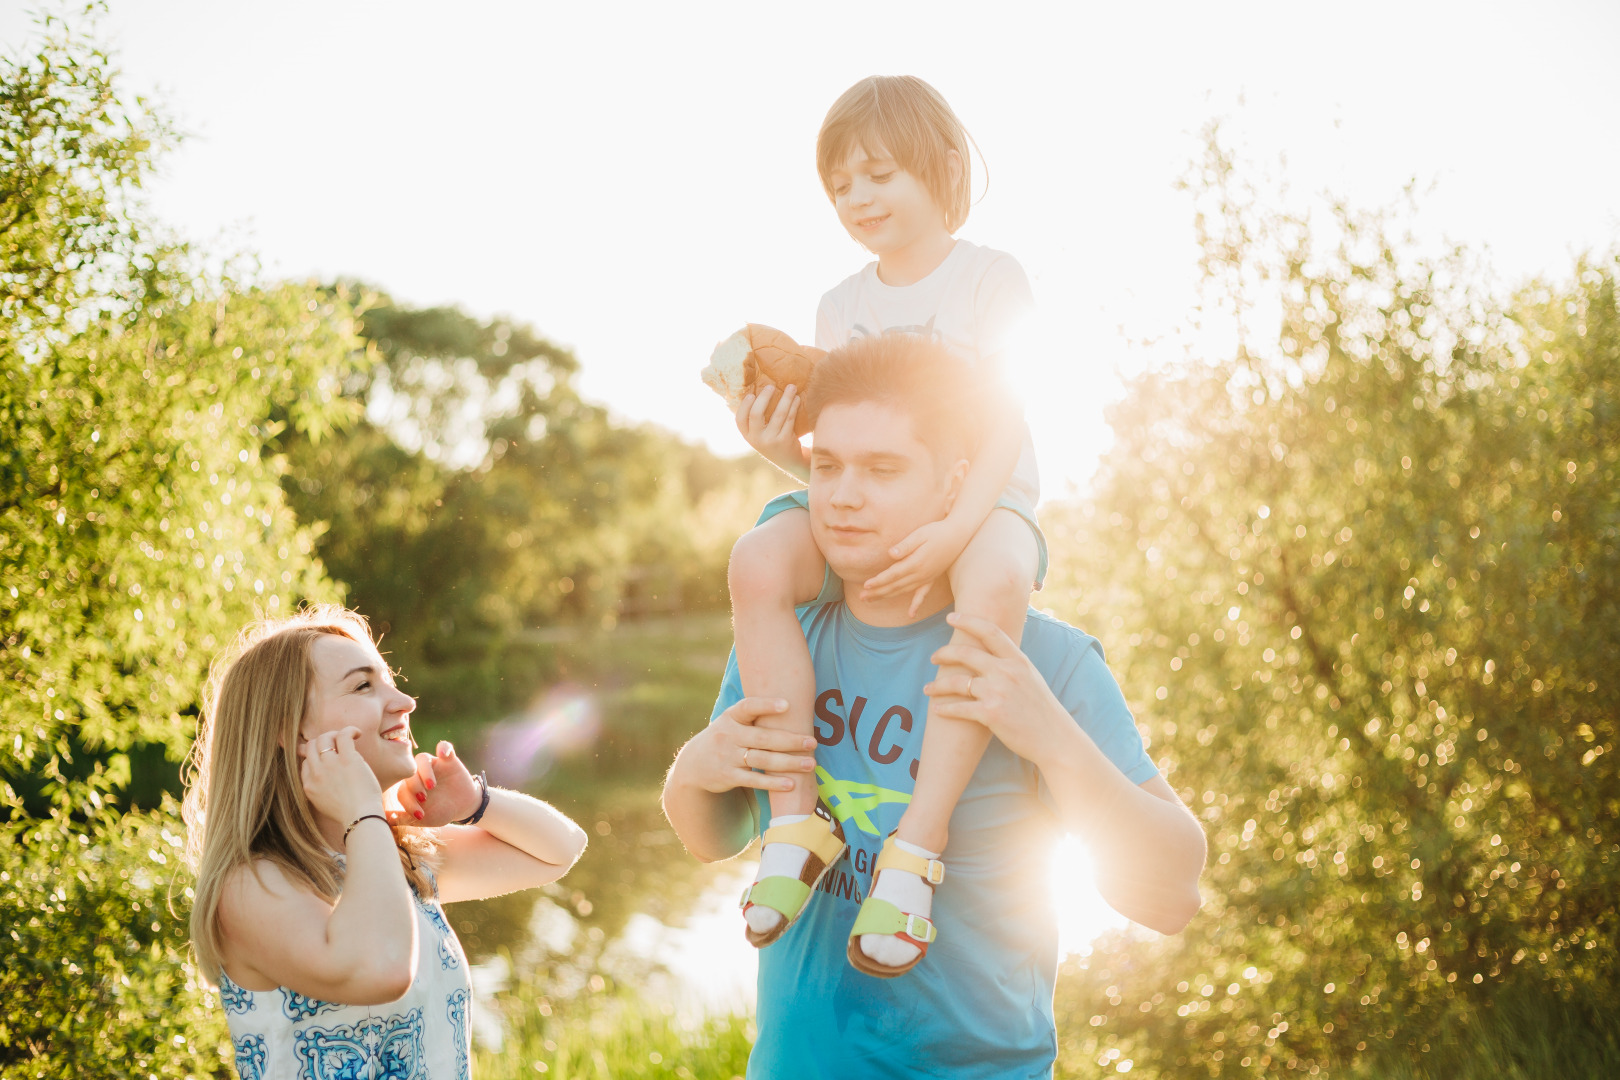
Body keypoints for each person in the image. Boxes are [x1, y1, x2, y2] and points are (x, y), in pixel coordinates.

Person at [664, 334, 1206, 1077]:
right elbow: (712, 836)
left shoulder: (1046, 661)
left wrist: (1051, 737)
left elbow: (1172, 894)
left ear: (957, 486)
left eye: (882, 469)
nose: (843, 495)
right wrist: (692, 771)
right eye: (827, 466)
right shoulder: (785, 633)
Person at [727, 74, 1046, 976]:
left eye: (878, 175)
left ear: (939, 168)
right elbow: (847, 468)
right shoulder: (840, 306)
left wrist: (953, 534)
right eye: (840, 187)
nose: (858, 199)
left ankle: (916, 847)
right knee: (758, 560)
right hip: (891, 512)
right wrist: (777, 451)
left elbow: (1006, 422)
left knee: (996, 582)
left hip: (988, 499)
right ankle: (795, 820)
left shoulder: (989, 278)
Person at [182, 605, 588, 1080]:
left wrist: (473, 801)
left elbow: (560, 849)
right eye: (363, 685)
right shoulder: (251, 886)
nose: (404, 701)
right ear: (293, 732)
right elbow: (382, 969)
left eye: (389, 679)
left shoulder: (399, 854)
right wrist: (363, 813)